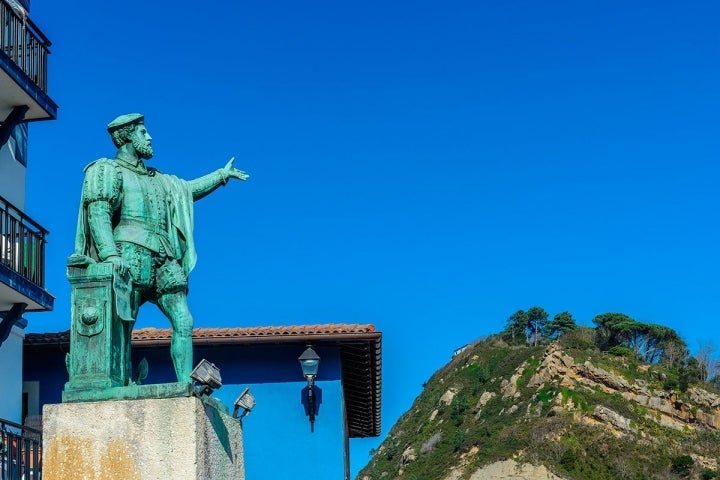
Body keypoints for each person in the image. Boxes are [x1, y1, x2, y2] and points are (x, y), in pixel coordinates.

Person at [71, 113, 248, 383]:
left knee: (184, 320)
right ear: (126, 135)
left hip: (164, 257)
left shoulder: (159, 179)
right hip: (128, 254)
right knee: (122, 326)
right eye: (143, 133)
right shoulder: (107, 170)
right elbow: (99, 213)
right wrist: (110, 254)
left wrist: (221, 176)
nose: (150, 137)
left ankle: (185, 386)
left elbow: (187, 190)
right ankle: (121, 381)